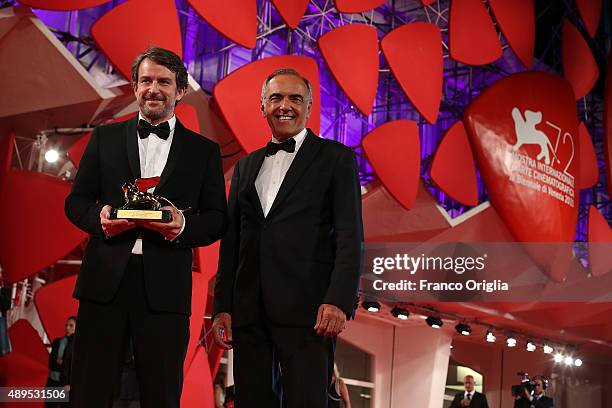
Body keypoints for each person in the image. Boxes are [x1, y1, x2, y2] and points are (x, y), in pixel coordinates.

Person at [64, 46, 227, 408]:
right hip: (103, 285)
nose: (153, 89)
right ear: (135, 87)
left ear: (180, 91)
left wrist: (183, 225)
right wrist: (101, 218)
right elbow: (75, 203)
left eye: (164, 82)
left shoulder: (204, 152)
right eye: (146, 80)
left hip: (165, 291)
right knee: (89, 393)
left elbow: (217, 219)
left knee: (161, 395)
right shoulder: (104, 138)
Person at [212, 68, 363, 408]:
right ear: (262, 105)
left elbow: (351, 236)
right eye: (276, 97)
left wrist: (339, 299)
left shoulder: (336, 158)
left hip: (310, 312)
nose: (285, 106)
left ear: (309, 107)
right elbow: (232, 243)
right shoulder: (246, 167)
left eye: (295, 98)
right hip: (250, 312)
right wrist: (223, 306)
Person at [45, 316, 76, 408]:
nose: (67, 328)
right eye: (66, 325)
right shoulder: (57, 341)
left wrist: (62, 363)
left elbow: (73, 367)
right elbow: (51, 363)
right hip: (52, 381)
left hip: (65, 383)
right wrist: (63, 363)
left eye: (71, 325)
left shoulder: (76, 345)